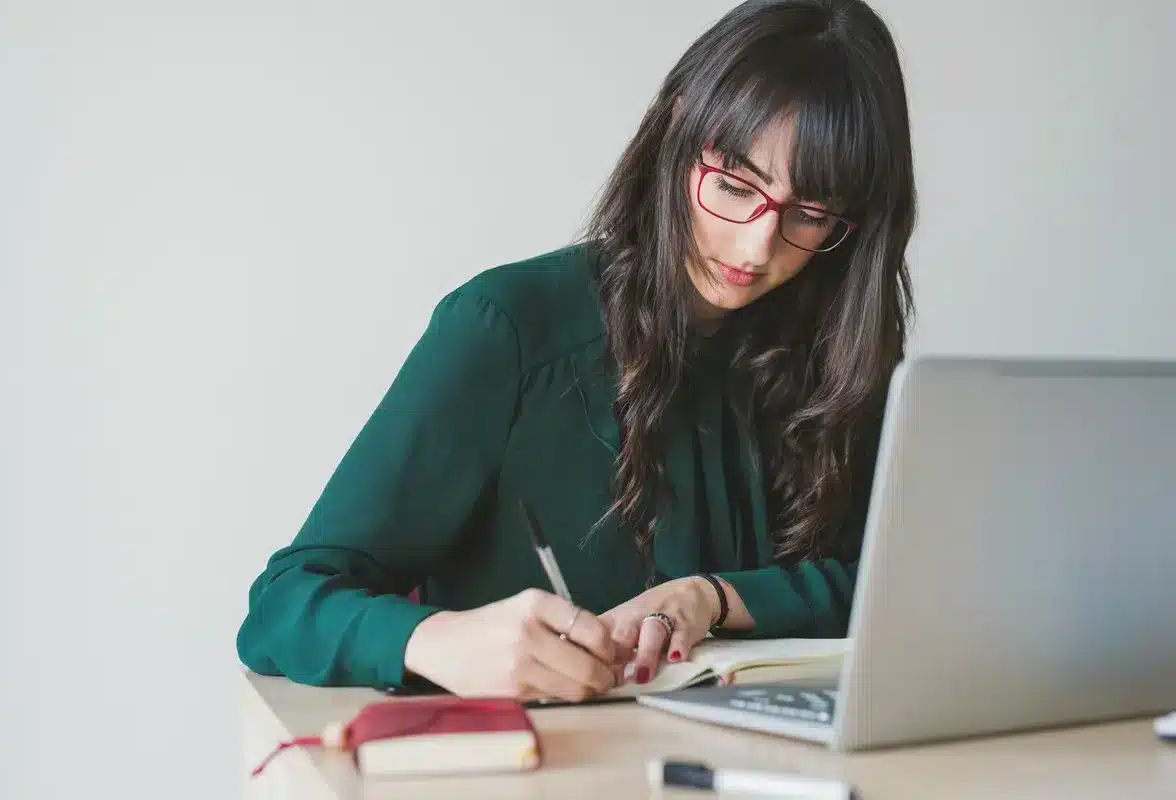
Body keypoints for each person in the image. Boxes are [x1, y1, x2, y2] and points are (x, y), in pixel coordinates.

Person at [236, 0, 916, 704]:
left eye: (810, 214)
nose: (755, 248)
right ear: (674, 133)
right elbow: (282, 606)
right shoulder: (507, 327)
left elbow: (879, 585)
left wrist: (708, 598)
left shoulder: (839, 354)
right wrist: (440, 640)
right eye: (734, 186)